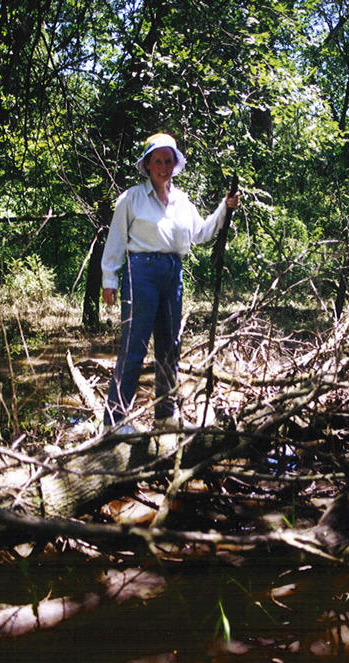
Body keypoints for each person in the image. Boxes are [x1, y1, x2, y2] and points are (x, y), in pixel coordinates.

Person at [101, 132, 240, 436]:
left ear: (175, 165)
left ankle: (166, 415)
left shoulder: (181, 201)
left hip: (172, 273)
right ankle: (115, 421)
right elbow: (115, 241)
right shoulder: (132, 198)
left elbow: (201, 233)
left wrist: (224, 208)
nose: (164, 166)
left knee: (170, 346)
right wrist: (109, 279)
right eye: (158, 161)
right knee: (133, 346)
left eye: (169, 161)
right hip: (141, 272)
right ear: (148, 164)